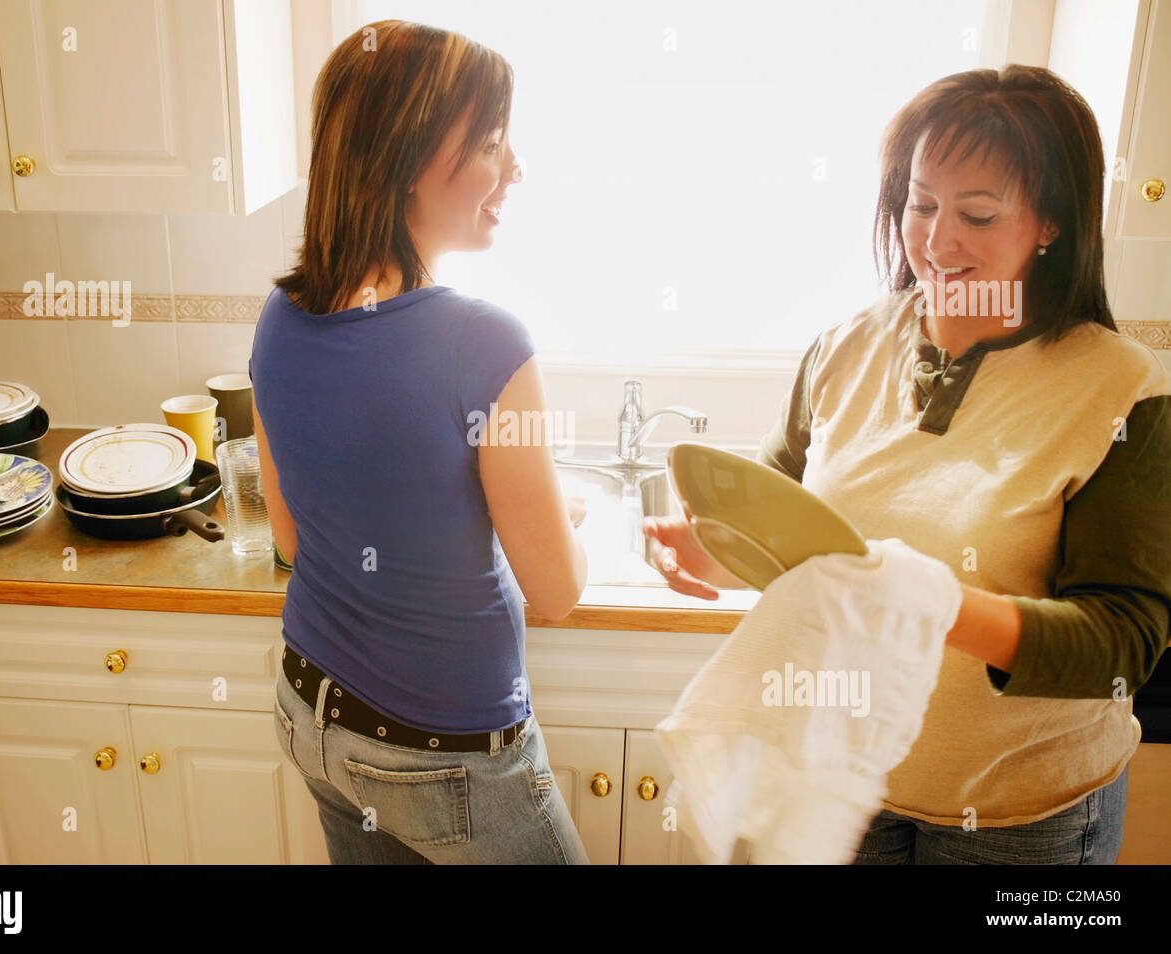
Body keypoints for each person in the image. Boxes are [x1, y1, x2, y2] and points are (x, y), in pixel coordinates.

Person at [645, 65, 1171, 865]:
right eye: (921, 204)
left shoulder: (1126, 390)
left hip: (1020, 816)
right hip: (846, 780)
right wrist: (711, 552)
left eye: (978, 213)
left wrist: (929, 602)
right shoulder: (846, 347)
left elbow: (1122, 643)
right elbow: (793, 535)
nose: (936, 240)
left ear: (1052, 223)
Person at [249, 20, 589, 864]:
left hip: (312, 715)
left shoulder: (279, 317)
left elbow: (292, 535)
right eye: (491, 143)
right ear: (405, 160)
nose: (514, 168)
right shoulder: (488, 344)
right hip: (447, 758)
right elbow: (558, 590)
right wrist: (555, 517)